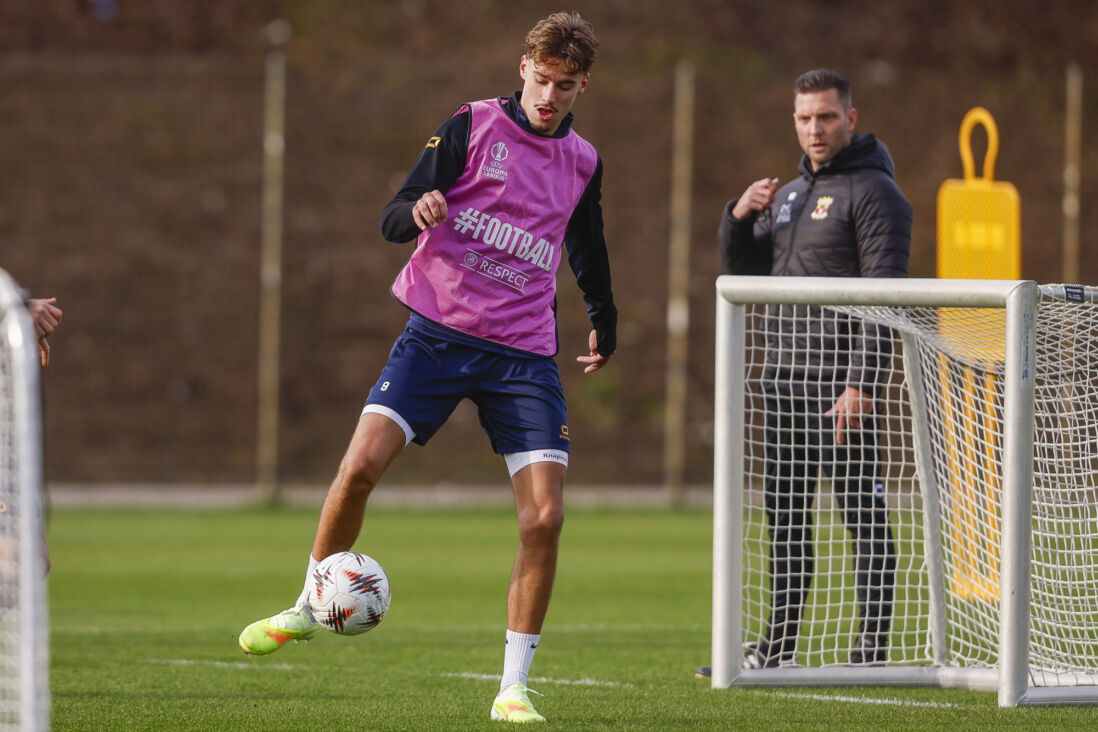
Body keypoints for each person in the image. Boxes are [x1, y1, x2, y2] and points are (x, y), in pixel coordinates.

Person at [238, 11, 615, 724]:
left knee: (545, 518)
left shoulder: (583, 160)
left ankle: (512, 688)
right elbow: (391, 213)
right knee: (357, 471)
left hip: (524, 356)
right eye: (541, 81)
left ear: (582, 85)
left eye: (566, 87)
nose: (549, 96)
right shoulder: (472, 127)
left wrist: (605, 317)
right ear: (522, 69)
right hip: (436, 337)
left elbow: (586, 243)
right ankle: (307, 606)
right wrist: (419, 209)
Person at [698, 69, 912, 676]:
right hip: (783, 382)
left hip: (841, 387)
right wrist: (737, 217)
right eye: (803, 118)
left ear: (850, 117)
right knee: (784, 521)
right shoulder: (787, 195)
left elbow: (885, 295)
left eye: (825, 117)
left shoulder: (876, 194)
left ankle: (871, 651)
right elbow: (744, 277)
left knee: (862, 517)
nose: (814, 129)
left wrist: (863, 383)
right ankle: (776, 648)